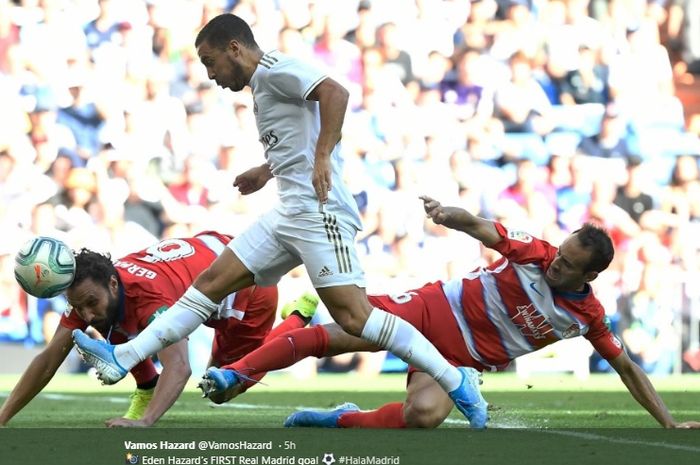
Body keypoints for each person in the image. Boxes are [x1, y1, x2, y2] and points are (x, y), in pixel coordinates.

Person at [70, 14, 487, 428]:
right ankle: (123, 356)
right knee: (211, 283)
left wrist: (323, 156)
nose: (210, 73)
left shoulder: (275, 70)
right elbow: (297, 137)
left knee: (356, 318)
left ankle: (456, 380)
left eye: (210, 61)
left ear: (235, 48)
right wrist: (266, 169)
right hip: (289, 211)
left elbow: (335, 93)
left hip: (320, 211)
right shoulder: (262, 87)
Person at [199, 196, 700, 430]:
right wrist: (448, 215)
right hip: (431, 311)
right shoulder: (537, 253)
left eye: (568, 265)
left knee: (424, 418)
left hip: (460, 362)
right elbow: (484, 228)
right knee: (343, 333)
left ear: (587, 279)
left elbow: (628, 368)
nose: (556, 264)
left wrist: (669, 423)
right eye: (561, 253)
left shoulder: (587, 316)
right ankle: (234, 374)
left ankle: (340, 421)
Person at [0, 231, 317, 427]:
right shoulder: (95, 288)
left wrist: (147, 422)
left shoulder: (150, 299)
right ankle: (146, 384)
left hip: (244, 286)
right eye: (79, 307)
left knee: (223, 385)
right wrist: (3, 416)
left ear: (113, 283)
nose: (86, 313)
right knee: (113, 320)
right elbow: (49, 359)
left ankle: (298, 318)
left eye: (90, 303)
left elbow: (179, 367)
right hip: (206, 255)